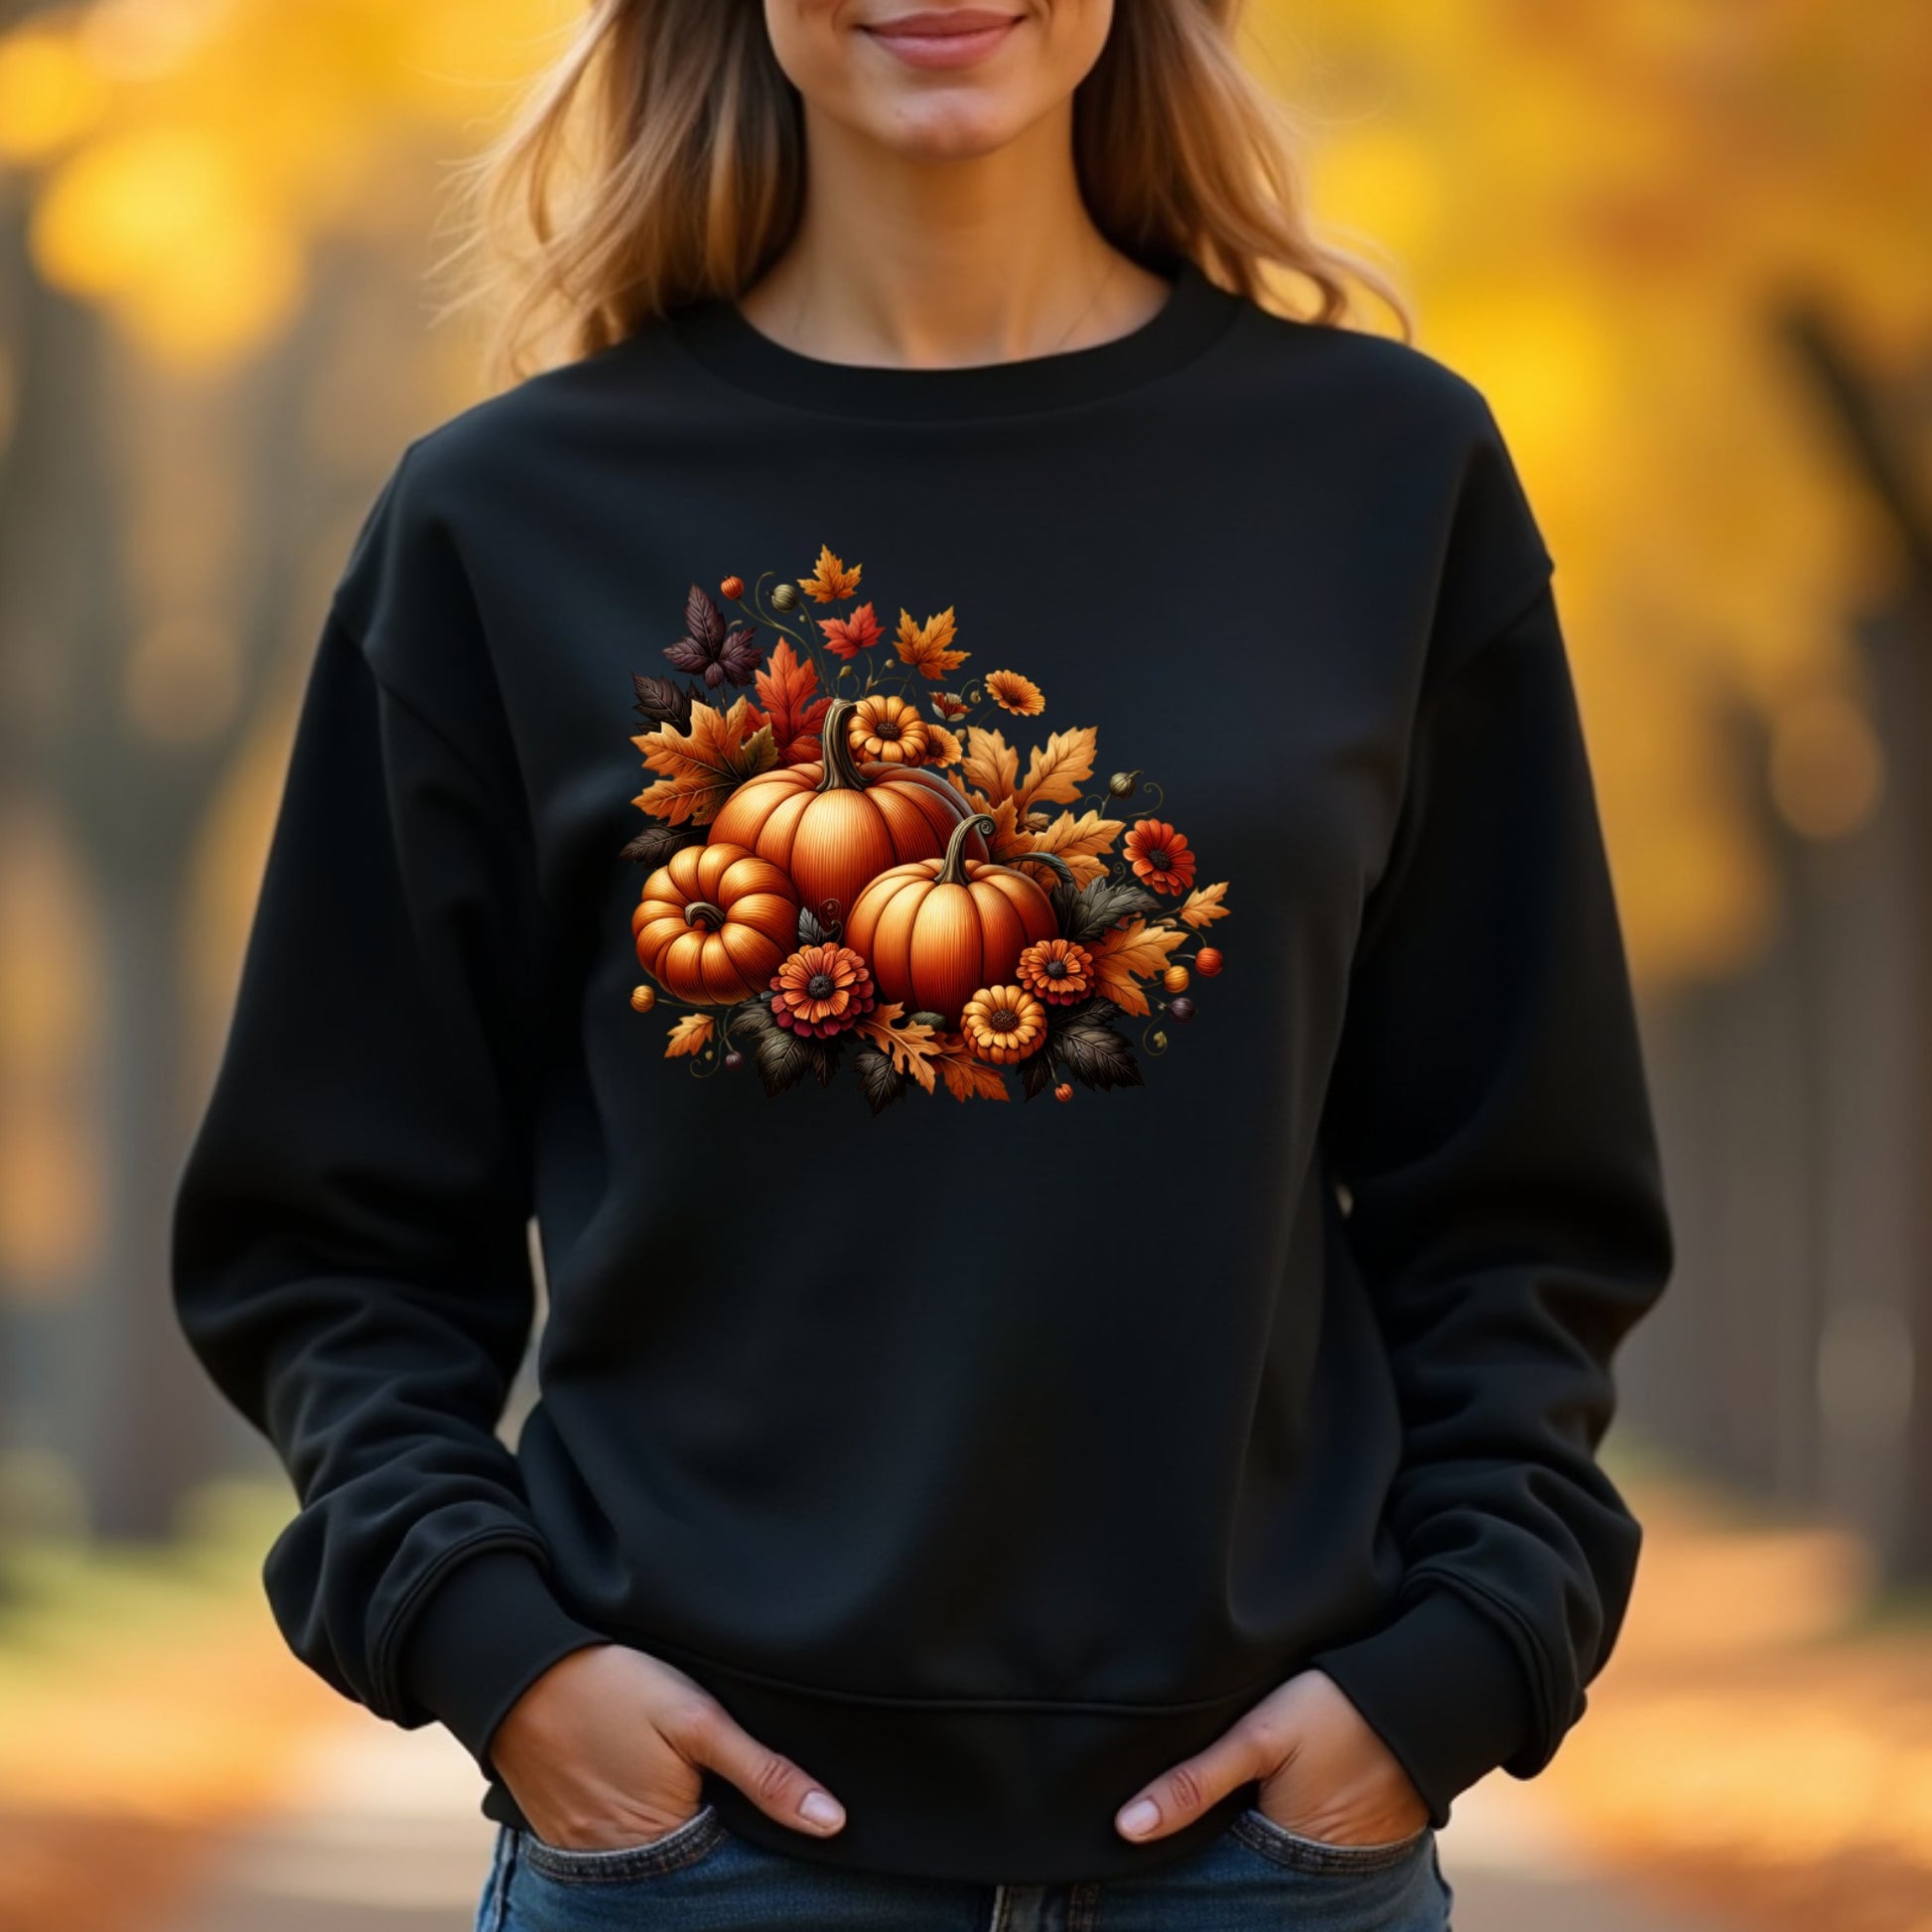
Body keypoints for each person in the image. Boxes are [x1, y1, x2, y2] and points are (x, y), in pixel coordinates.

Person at [170, 3, 1676, 1929]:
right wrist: (504, 1657)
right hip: (692, 1860)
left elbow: (1519, 1187)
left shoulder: (1385, 478)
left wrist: (1455, 1661)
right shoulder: (504, 523)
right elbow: (328, 1228)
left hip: (1267, 1861)